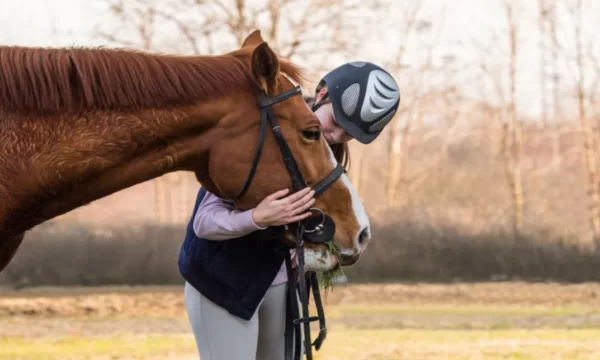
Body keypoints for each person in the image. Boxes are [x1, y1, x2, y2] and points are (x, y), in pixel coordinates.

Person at [178, 61, 400, 360]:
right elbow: (203, 223)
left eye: (348, 134)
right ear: (322, 93)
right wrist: (257, 218)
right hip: (222, 282)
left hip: (282, 286)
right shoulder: (263, 131)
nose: (336, 135)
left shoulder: (329, 160)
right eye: (336, 121)